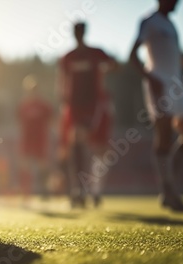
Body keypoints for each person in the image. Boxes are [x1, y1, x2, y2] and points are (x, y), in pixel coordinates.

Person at [129, 0, 183, 212]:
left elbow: (177, 56)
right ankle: (169, 192)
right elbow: (133, 56)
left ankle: (169, 185)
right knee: (164, 135)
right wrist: (150, 78)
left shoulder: (172, 25)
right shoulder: (149, 22)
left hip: (177, 86)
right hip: (158, 84)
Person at [59, 22, 116, 208]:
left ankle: (94, 191)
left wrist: (105, 68)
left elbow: (114, 66)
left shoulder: (96, 53)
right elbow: (62, 80)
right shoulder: (68, 57)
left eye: (81, 31)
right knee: (75, 142)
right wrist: (63, 101)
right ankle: (79, 190)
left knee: (98, 149)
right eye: (76, 32)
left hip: (94, 104)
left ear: (84, 32)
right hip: (75, 106)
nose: (78, 35)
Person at [16, 75, 53, 199]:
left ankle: (45, 191)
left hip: (40, 140)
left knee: (43, 166)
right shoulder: (23, 105)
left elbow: (52, 120)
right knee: (25, 165)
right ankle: (25, 193)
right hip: (27, 140)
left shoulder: (43, 105)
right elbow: (19, 122)